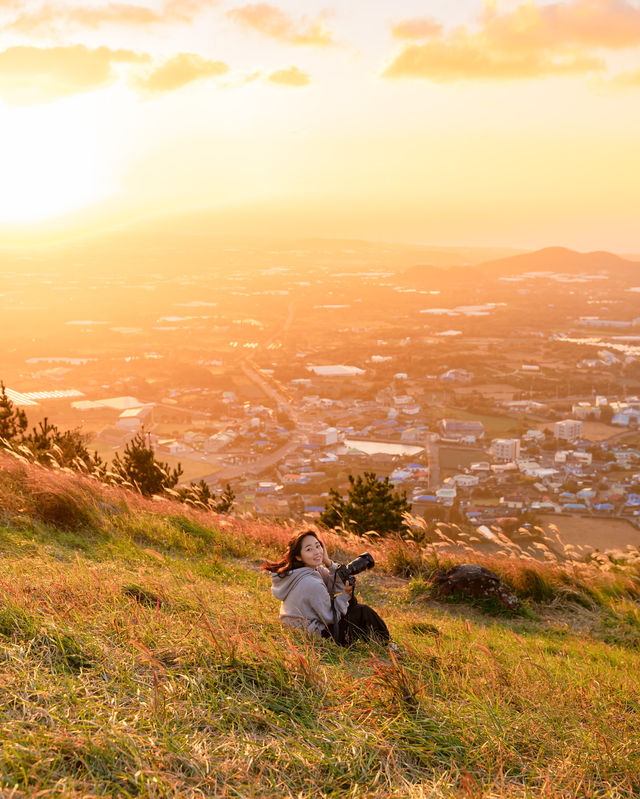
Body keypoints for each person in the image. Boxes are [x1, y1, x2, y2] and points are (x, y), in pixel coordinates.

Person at [262, 530, 390, 646]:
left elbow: (333, 583)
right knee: (362, 611)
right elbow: (330, 616)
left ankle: (373, 639)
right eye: (309, 549)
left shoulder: (304, 571)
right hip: (313, 637)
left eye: (318, 546)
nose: (317, 552)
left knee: (352, 606)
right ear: (298, 556)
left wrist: (328, 562)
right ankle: (386, 644)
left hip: (299, 630)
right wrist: (345, 595)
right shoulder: (311, 583)